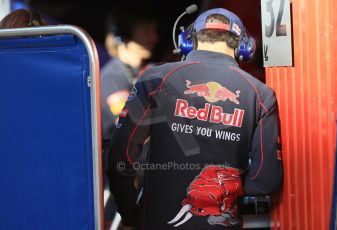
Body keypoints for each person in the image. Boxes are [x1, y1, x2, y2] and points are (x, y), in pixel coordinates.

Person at [107, 8, 283, 230]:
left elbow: (119, 160)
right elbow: (266, 180)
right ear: (244, 47)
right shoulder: (261, 95)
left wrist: (130, 214)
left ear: (187, 42)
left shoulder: (155, 80)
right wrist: (227, 189)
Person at [101, 5, 159, 149]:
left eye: (154, 31)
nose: (154, 38)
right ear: (124, 33)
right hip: (120, 165)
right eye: (146, 31)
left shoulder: (147, 71)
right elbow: (131, 128)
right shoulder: (112, 77)